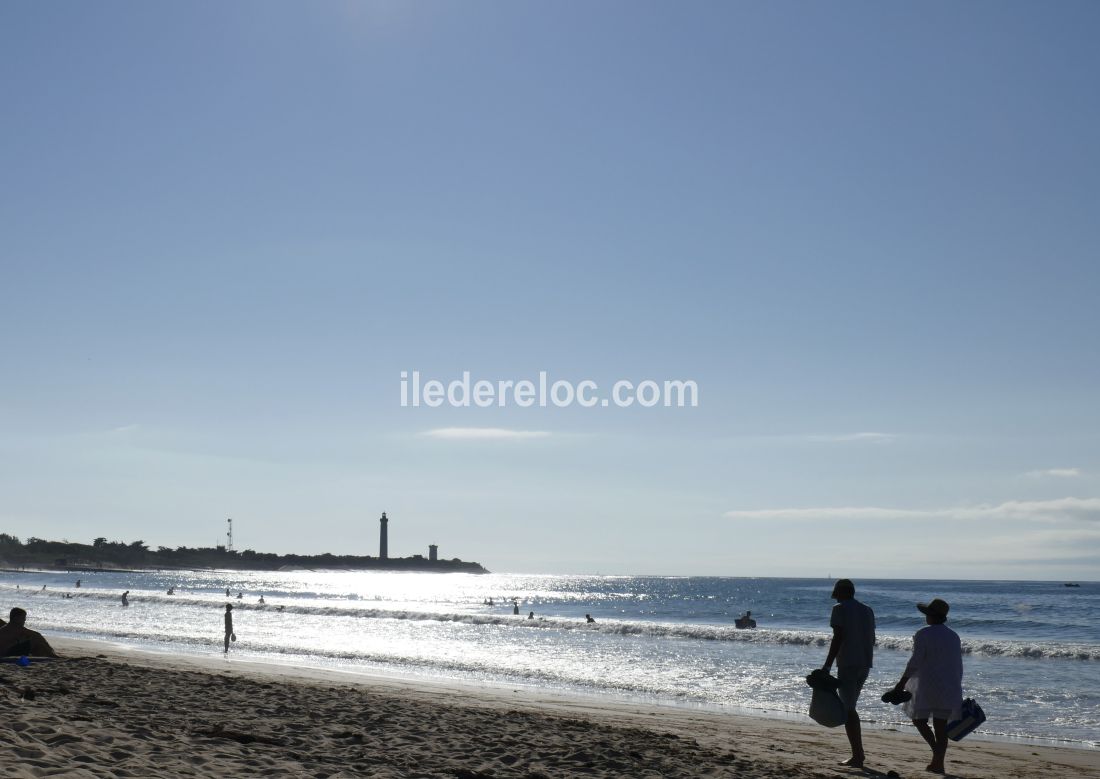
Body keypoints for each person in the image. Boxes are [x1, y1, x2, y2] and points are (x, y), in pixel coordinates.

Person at [888, 599, 962, 775]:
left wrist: (901, 683)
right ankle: (938, 762)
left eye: (927, 614)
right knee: (940, 726)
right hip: (949, 684)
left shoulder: (923, 634)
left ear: (931, 616)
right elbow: (956, 663)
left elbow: (915, 661)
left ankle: (936, 755)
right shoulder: (953, 636)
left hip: (929, 684)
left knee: (919, 720)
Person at [821, 578, 875, 768]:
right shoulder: (867, 610)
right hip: (865, 663)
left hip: (848, 663)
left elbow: (838, 637)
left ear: (840, 593)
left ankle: (858, 755)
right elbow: (871, 637)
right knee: (850, 706)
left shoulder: (840, 609)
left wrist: (827, 665)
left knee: (848, 709)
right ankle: (857, 754)